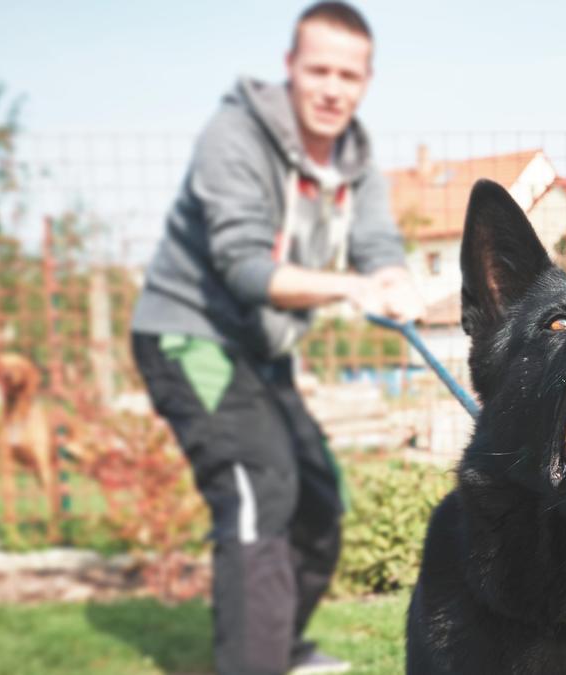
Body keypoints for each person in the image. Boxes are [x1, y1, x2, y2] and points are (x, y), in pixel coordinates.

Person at [129, 3, 422, 673]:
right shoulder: (232, 137)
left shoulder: (356, 158)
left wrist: (394, 279)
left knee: (320, 498)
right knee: (260, 486)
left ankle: (277, 647)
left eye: (348, 75)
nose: (331, 88)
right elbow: (245, 267)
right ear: (289, 68)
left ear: (366, 80)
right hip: (190, 337)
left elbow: (377, 242)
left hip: (262, 351)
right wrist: (350, 288)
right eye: (317, 69)